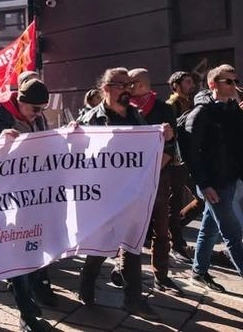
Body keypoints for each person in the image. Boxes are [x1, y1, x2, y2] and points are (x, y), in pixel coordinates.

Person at [76, 67, 173, 321]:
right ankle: (86, 287)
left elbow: (150, 152)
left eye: (130, 85)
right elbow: (77, 158)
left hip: (131, 194)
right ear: (106, 88)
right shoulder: (91, 120)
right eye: (121, 85)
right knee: (100, 246)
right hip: (102, 195)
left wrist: (164, 138)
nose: (127, 90)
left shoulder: (137, 117)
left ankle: (133, 300)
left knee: (132, 246)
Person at [0, 78, 54, 332]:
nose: (39, 114)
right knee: (18, 252)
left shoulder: (37, 117)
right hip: (6, 198)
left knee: (32, 250)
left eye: (43, 109)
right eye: (35, 109)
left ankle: (25, 291)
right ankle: (26, 312)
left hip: (32, 196)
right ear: (20, 102)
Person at [123, 68, 182, 294]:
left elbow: (170, 144)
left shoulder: (164, 109)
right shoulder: (125, 109)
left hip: (158, 176)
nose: (126, 87)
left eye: (130, 83)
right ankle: (124, 270)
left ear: (140, 84)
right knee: (129, 227)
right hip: (129, 179)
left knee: (161, 228)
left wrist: (151, 171)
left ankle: (161, 275)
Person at [186, 64, 243, 292]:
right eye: (228, 81)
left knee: (209, 229)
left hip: (230, 178)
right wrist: (203, 184)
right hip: (214, 184)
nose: (234, 86)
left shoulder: (233, 110)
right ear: (213, 84)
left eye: (235, 81)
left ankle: (198, 272)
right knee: (233, 234)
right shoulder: (201, 112)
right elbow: (191, 154)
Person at [166, 71, 201, 264]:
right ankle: (176, 244)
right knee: (175, 200)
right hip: (176, 162)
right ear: (175, 85)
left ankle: (172, 230)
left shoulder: (190, 103)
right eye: (187, 82)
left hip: (190, 159)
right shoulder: (172, 104)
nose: (192, 85)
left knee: (202, 199)